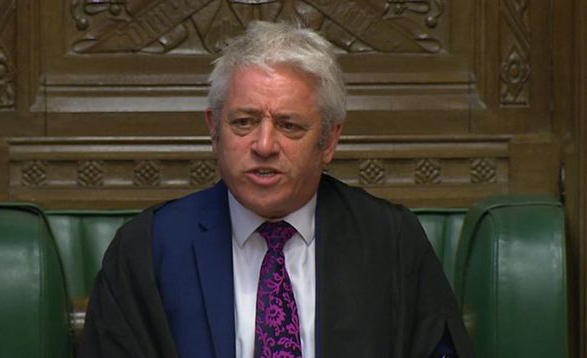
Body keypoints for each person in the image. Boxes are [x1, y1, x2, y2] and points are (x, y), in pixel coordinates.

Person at [79, 21, 473, 358]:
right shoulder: (147, 248)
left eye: (289, 125)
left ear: (330, 141)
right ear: (213, 130)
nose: (264, 145)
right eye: (244, 122)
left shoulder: (391, 240)